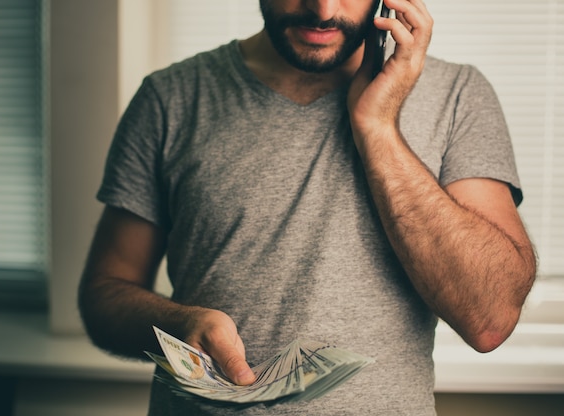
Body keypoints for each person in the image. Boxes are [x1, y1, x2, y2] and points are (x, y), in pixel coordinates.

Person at [78, 0, 537, 414]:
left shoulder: (458, 96)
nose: (322, 10)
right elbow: (105, 294)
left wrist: (377, 129)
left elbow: (490, 319)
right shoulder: (169, 98)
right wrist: (180, 323)